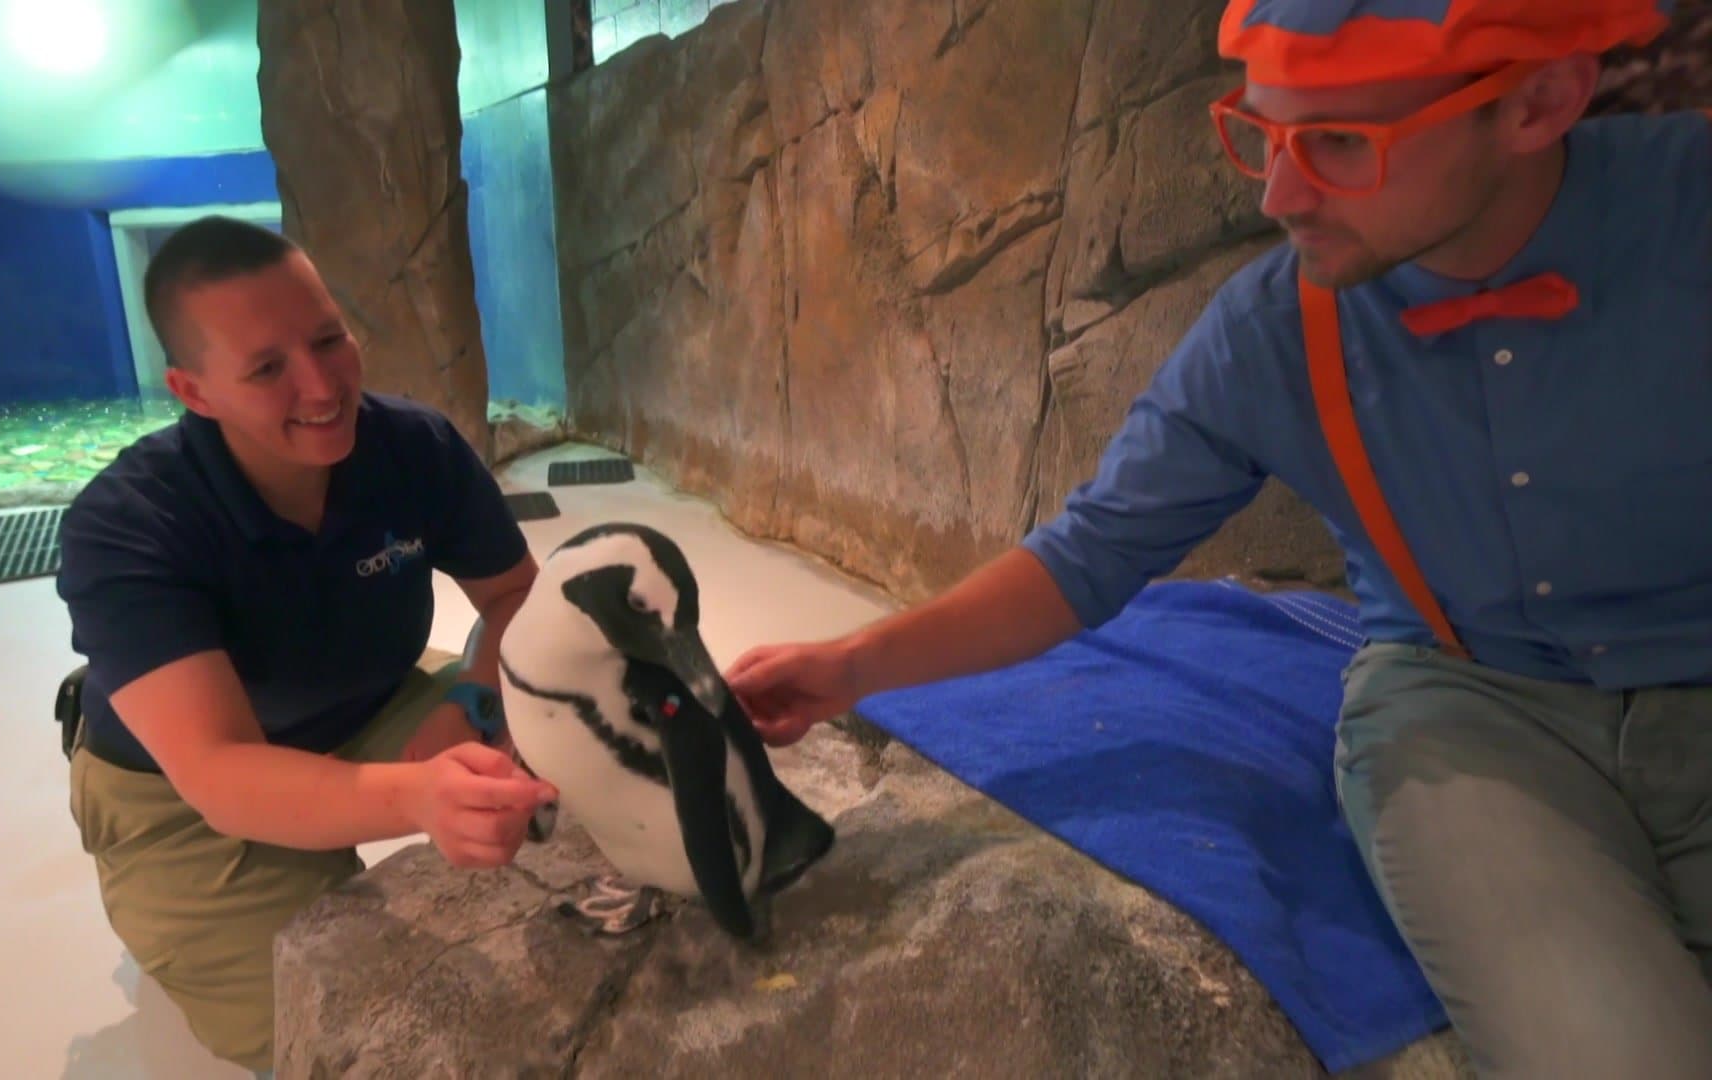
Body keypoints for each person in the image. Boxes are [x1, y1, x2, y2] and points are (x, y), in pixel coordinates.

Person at [727, 2, 1712, 1075]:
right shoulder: (1274, 328)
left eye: (1340, 144)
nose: (1280, 196)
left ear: (1540, 102)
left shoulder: (1686, 211)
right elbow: (1086, 555)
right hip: (1472, 714)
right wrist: (852, 666)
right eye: (1265, 134)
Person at [55, 215, 557, 1075]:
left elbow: (518, 597)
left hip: (365, 698)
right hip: (182, 795)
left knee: (584, 744)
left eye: (330, 339)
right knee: (336, 1024)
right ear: (193, 391)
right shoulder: (129, 526)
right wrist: (414, 797)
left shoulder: (412, 447)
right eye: (267, 368)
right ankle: (172, 906)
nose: (323, 385)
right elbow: (218, 772)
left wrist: (473, 695)